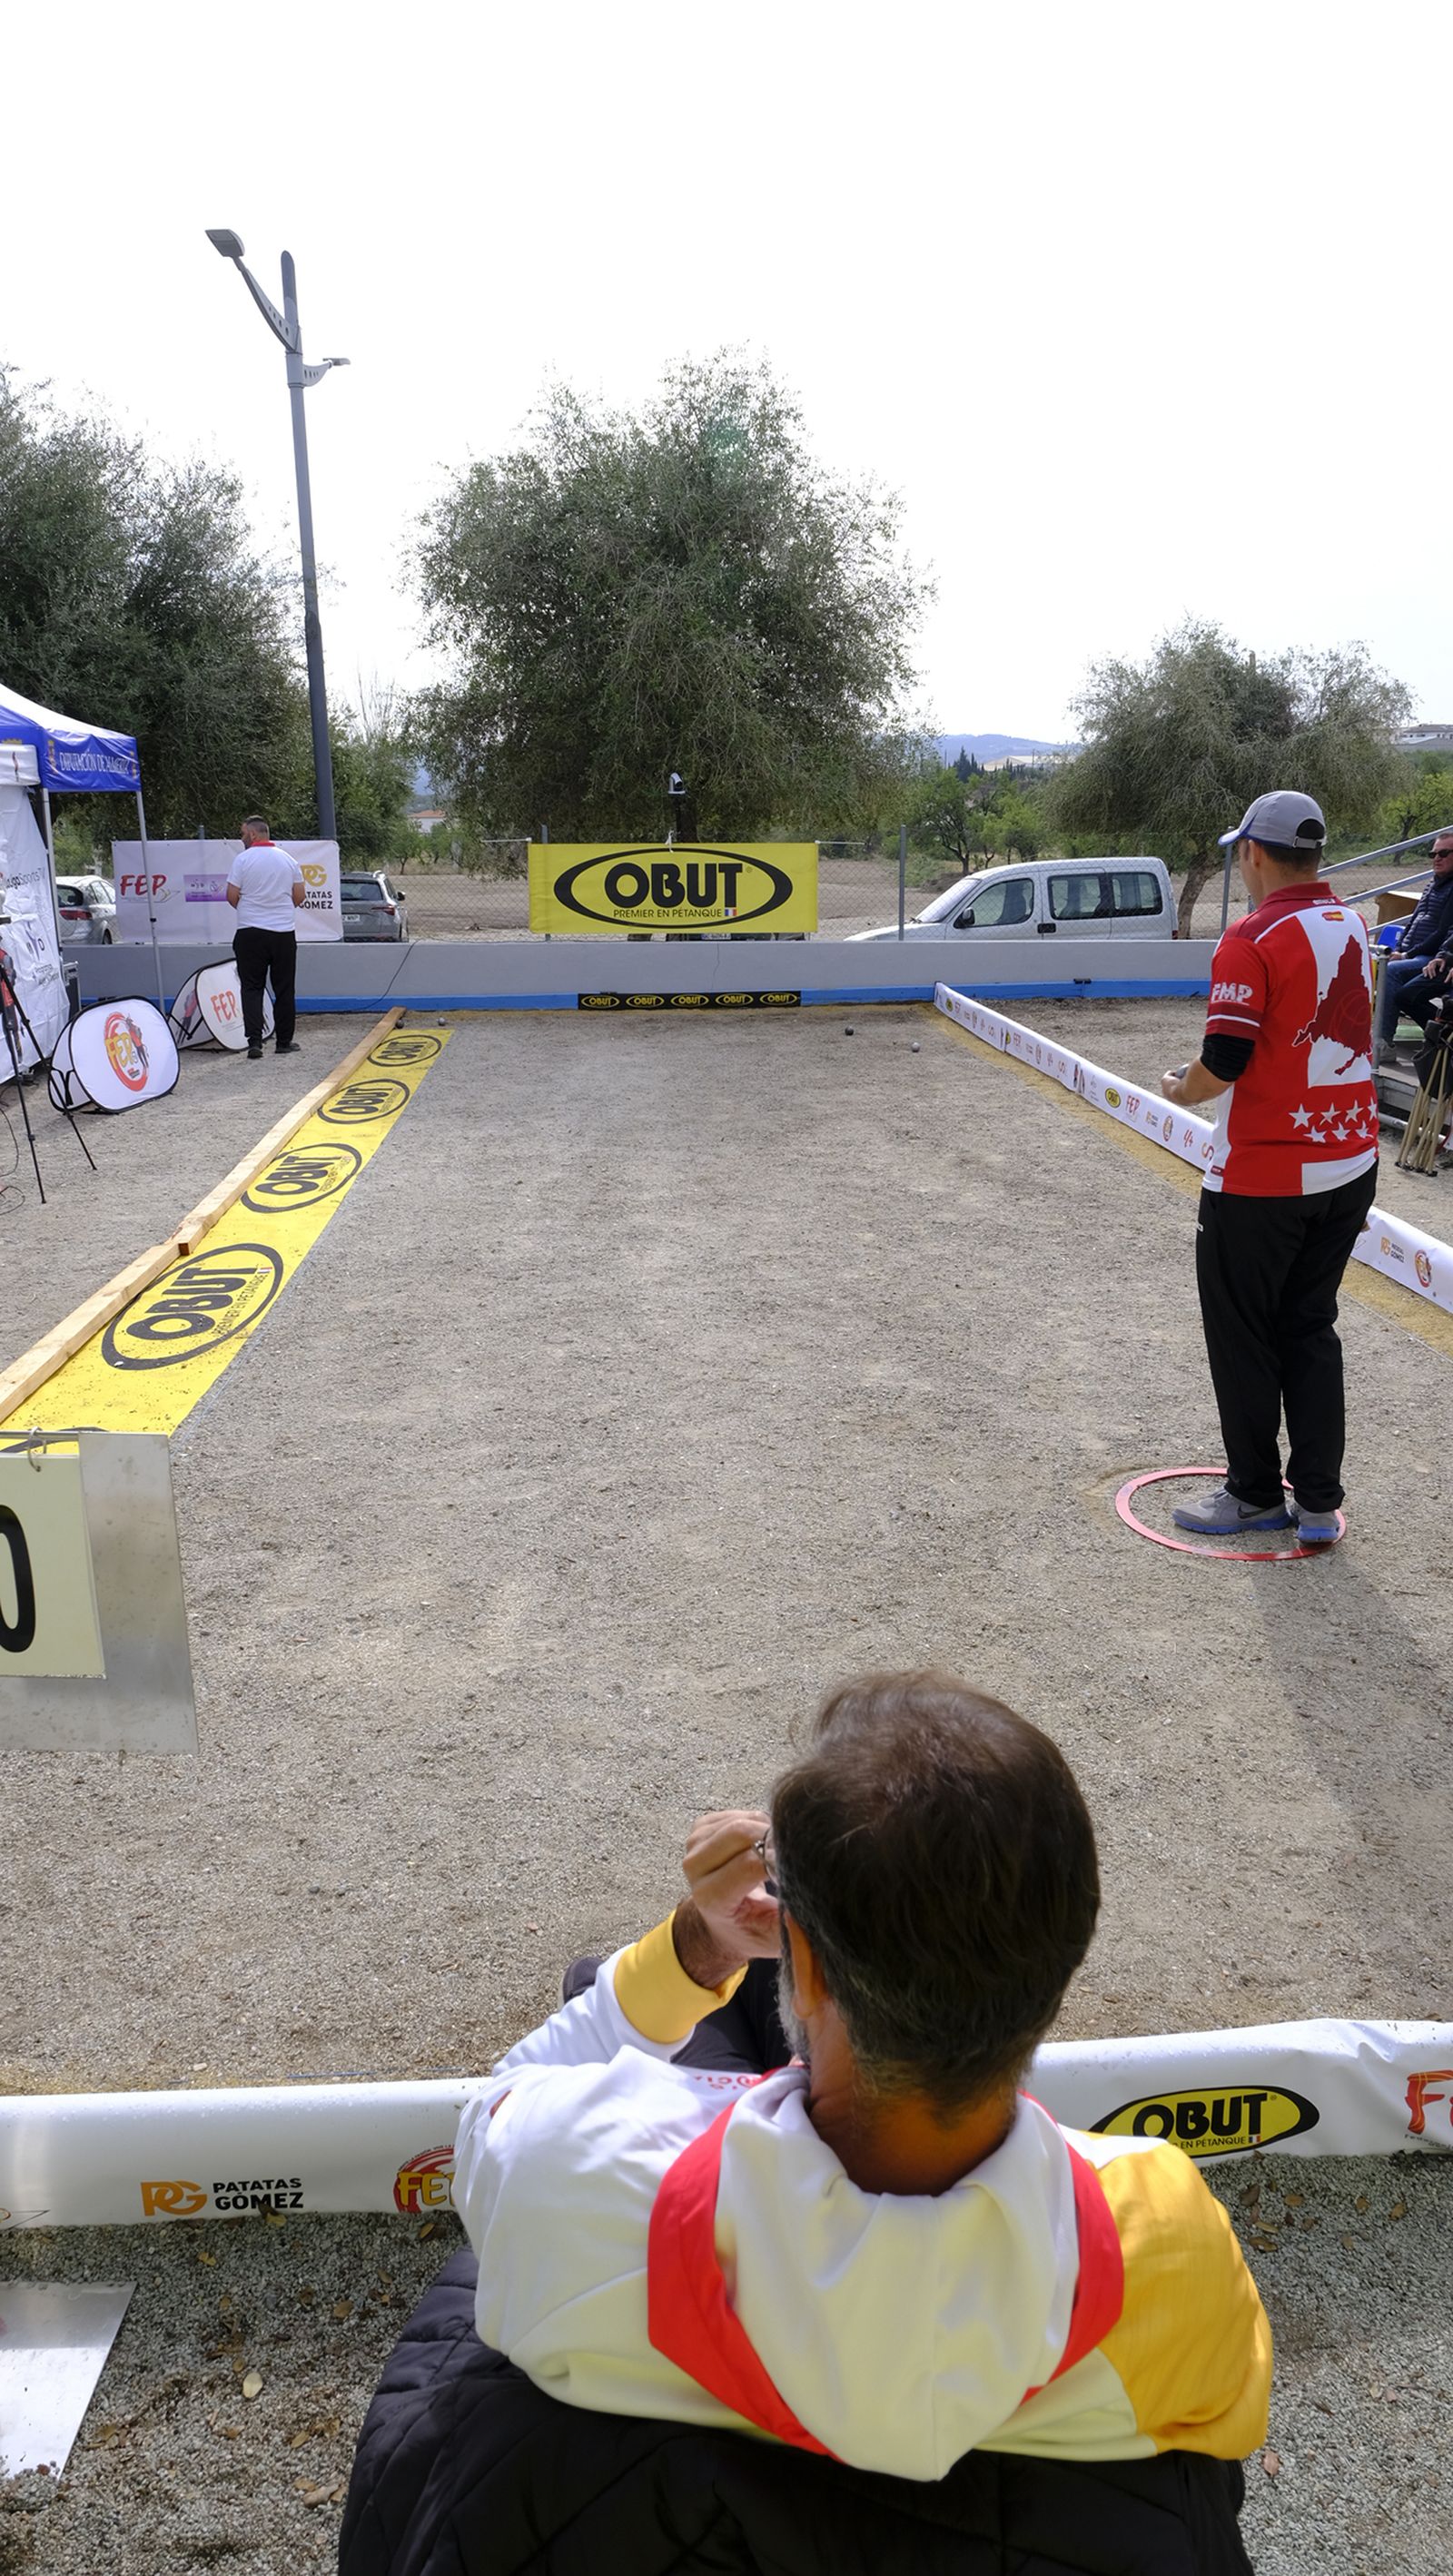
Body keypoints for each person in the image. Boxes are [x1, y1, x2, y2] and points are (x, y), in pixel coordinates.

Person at [341, 1673, 1269, 2576]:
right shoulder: (1172, 2233)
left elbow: (501, 2107)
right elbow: (1214, 2438)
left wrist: (696, 1948)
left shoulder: (577, 2173)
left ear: (810, 1967)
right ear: (1063, 1958)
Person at [1161, 790, 1378, 1545]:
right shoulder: (1350, 919)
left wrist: (1178, 1087)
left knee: (1244, 1335)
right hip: (1350, 1164)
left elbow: (1222, 1062)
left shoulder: (1249, 938)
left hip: (1263, 1181)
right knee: (1311, 1327)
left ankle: (1254, 1493)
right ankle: (1317, 1502)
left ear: (1253, 852)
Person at [225, 814, 304, 1061]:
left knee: (251, 988)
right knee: (284, 988)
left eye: (242, 834)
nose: (241, 839)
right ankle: (283, 1041)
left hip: (250, 932)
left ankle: (255, 1043)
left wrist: (250, 909)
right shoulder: (289, 860)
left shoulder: (242, 860)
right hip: (282, 933)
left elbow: (231, 895)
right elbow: (299, 897)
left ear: (253, 835)